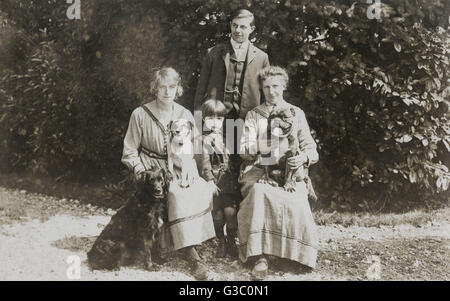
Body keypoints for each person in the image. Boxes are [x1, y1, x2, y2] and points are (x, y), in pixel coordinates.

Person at [121, 67, 215, 280]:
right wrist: (140, 171)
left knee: (197, 188)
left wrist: (191, 165)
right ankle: (192, 257)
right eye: (162, 87)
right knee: (173, 193)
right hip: (151, 169)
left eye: (171, 87)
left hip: (179, 166)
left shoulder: (185, 114)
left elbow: (195, 147)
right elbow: (129, 150)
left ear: (178, 89)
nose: (166, 91)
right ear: (154, 89)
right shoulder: (140, 114)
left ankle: (182, 242)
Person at [238, 66, 319, 280]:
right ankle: (260, 255)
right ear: (262, 89)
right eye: (266, 87)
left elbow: (311, 148)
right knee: (259, 193)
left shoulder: (295, 113)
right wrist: (262, 145)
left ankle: (294, 255)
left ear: (283, 86)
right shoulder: (254, 115)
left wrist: (302, 158)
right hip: (259, 168)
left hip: (290, 172)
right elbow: (243, 150)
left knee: (296, 198)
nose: (271, 91)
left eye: (275, 86)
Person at [200, 99, 239, 258]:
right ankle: (220, 240)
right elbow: (204, 163)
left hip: (228, 182)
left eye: (219, 119)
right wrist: (209, 180)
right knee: (217, 214)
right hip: (214, 182)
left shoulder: (227, 138)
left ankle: (231, 239)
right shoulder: (204, 140)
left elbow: (234, 160)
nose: (214, 123)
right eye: (210, 119)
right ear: (203, 119)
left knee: (230, 212)